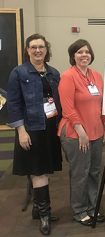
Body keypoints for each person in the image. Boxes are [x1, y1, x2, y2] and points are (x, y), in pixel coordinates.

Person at [6, 33, 62, 235]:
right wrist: (20, 130)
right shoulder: (19, 73)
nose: (37, 50)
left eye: (41, 47)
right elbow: (13, 103)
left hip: (50, 127)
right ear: (27, 50)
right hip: (31, 129)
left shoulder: (54, 73)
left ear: (46, 49)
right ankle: (45, 214)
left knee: (44, 170)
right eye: (33, 47)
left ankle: (38, 208)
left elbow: (58, 102)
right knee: (38, 171)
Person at [58, 39, 105, 226]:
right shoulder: (68, 76)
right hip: (75, 133)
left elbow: (104, 103)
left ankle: (92, 206)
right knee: (81, 172)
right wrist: (81, 132)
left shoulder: (97, 75)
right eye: (79, 52)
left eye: (87, 52)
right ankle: (79, 210)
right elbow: (68, 109)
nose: (84, 55)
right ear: (73, 56)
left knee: (94, 172)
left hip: (96, 132)